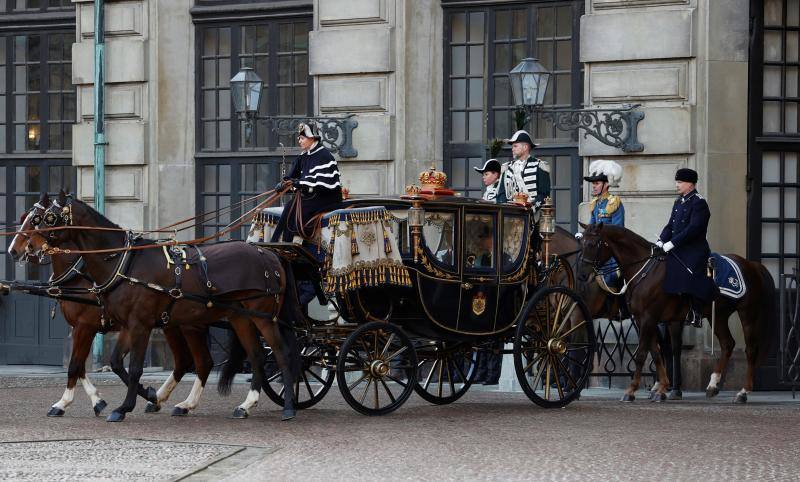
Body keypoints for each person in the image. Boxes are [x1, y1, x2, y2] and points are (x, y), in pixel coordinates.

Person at [656, 168, 716, 327]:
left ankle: (696, 312)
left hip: (694, 249)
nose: (677, 185)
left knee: (691, 272)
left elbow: (694, 229)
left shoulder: (699, 202)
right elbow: (670, 225)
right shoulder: (678, 201)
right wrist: (661, 240)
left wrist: (673, 242)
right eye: (677, 181)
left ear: (690, 183)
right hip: (677, 247)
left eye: (680, 182)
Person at [271, 122, 343, 243]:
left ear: (312, 138)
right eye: (299, 138)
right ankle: (276, 242)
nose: (299, 140)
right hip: (312, 197)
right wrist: (284, 184)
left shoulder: (324, 155)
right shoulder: (303, 156)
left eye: (302, 138)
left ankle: (296, 242)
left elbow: (323, 185)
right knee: (289, 206)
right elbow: (292, 177)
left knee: (299, 209)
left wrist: (298, 183)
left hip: (327, 198)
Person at [576, 160, 625, 287]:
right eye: (593, 184)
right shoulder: (595, 203)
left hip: (610, 250)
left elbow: (617, 230)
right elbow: (592, 226)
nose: (594, 186)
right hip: (596, 248)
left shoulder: (614, 202)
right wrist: (584, 234)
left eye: (597, 183)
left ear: (606, 184)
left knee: (612, 278)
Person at [500, 130, 551, 211]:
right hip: (510, 214)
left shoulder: (539, 166)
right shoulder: (507, 168)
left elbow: (543, 195)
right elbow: (501, 194)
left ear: (525, 147)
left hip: (531, 213)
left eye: (515, 146)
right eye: (512, 146)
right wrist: (505, 210)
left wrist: (533, 208)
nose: (512, 149)